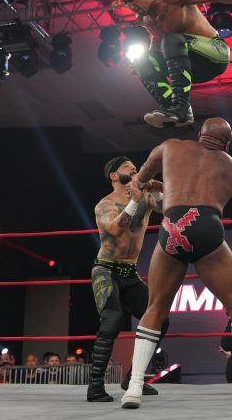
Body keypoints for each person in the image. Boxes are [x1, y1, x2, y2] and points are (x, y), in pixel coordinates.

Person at [121, 117, 232, 412]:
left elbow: (142, 180)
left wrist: (150, 186)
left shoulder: (170, 146)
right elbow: (204, 195)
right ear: (226, 144)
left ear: (200, 134)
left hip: (172, 227)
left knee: (155, 308)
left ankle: (134, 386)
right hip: (207, 225)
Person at [114, 0, 232, 128]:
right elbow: (157, 40)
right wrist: (147, 64)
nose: (130, 6)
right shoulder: (143, 18)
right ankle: (172, 110)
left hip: (215, 54)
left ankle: (180, 106)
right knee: (141, 60)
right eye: (125, 3)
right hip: (193, 69)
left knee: (171, 39)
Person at [86, 156, 168, 402]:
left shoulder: (146, 198)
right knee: (113, 319)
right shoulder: (105, 204)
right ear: (114, 176)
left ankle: (134, 378)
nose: (133, 168)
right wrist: (134, 200)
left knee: (160, 319)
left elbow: (168, 208)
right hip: (105, 270)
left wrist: (159, 189)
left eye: (135, 166)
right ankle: (95, 386)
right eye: (126, 167)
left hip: (130, 273)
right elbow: (113, 229)